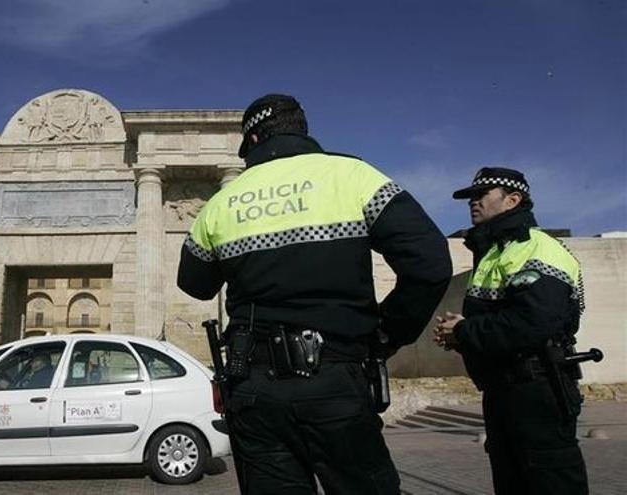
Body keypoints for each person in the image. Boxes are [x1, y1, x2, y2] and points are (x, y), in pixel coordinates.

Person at [177, 94, 453, 494]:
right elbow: (429, 263)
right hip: (335, 375)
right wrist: (387, 334)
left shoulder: (221, 203)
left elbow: (195, 284)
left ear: (252, 141)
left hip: (254, 387)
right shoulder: (354, 176)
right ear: (301, 129)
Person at [434, 167, 589, 494]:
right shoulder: (492, 253)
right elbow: (501, 322)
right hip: (504, 389)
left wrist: (464, 332)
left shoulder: (537, 247)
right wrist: (458, 335)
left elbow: (533, 322)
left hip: (537, 388)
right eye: (470, 197)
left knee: (550, 481)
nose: (472, 203)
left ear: (513, 199)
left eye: (482, 195)